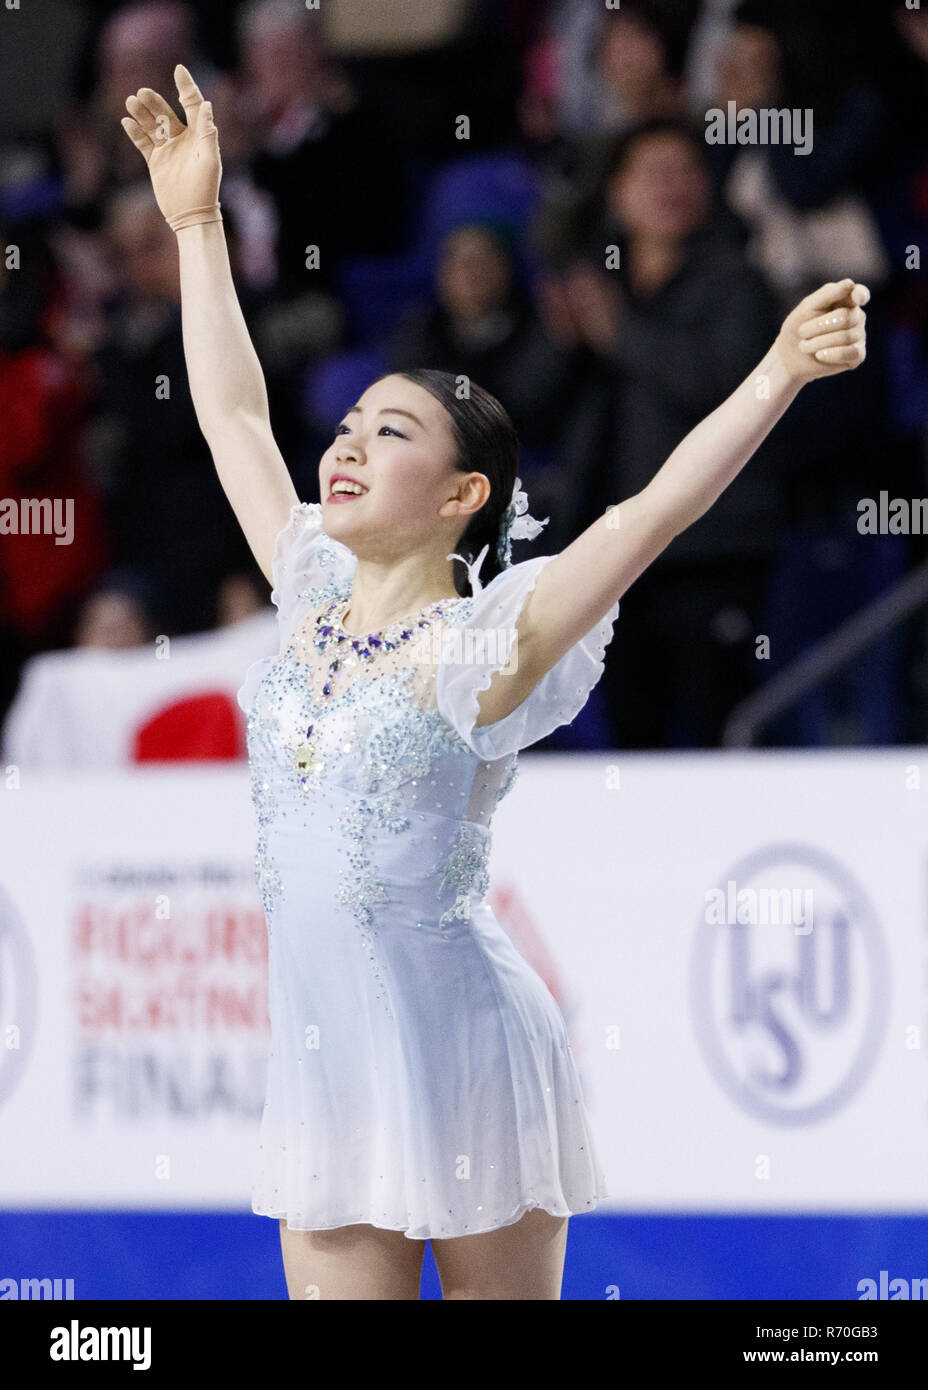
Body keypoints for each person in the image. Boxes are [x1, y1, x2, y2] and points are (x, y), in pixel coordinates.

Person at [121, 65, 868, 1300]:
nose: (349, 446)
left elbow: (650, 513)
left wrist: (777, 370)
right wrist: (197, 224)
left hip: (466, 1052)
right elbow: (234, 418)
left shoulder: (486, 640)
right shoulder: (306, 581)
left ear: (466, 497)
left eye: (393, 433)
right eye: (352, 423)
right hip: (326, 1070)